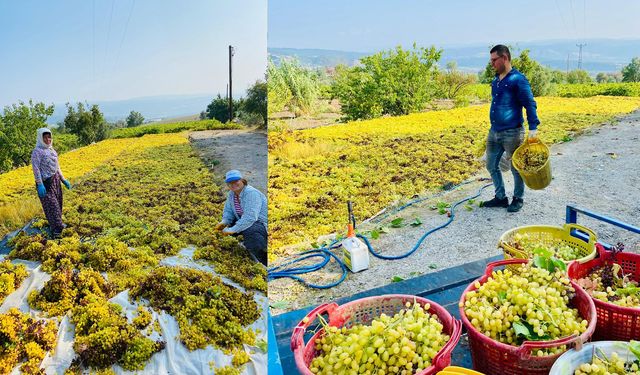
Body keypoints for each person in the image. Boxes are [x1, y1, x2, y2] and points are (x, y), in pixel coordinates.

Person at [481, 44, 540, 213]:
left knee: (516, 167)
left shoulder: (518, 79)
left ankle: (518, 198)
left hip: (512, 132)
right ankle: (500, 197)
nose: (492, 64)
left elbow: (529, 103)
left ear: (504, 58)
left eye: (494, 60)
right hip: (494, 131)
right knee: (491, 164)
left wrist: (533, 127)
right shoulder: (495, 81)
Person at [216, 170, 268, 266]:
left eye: (236, 181)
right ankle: (245, 245)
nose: (233, 184)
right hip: (245, 222)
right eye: (230, 183)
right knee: (226, 228)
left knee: (251, 232)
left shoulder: (251, 193)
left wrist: (233, 230)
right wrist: (224, 222)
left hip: (260, 224)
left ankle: (263, 258)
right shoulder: (232, 194)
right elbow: (228, 211)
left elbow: (250, 217)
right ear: (227, 185)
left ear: (242, 181)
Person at [31, 128, 72, 238]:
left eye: (49, 137)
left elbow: (57, 166)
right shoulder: (37, 151)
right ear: (41, 138)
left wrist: (63, 180)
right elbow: (36, 169)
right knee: (51, 206)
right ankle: (57, 231)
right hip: (45, 183)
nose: (48, 139)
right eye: (45, 137)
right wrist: (39, 184)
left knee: (58, 204)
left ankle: (58, 225)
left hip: (55, 180)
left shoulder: (52, 150)